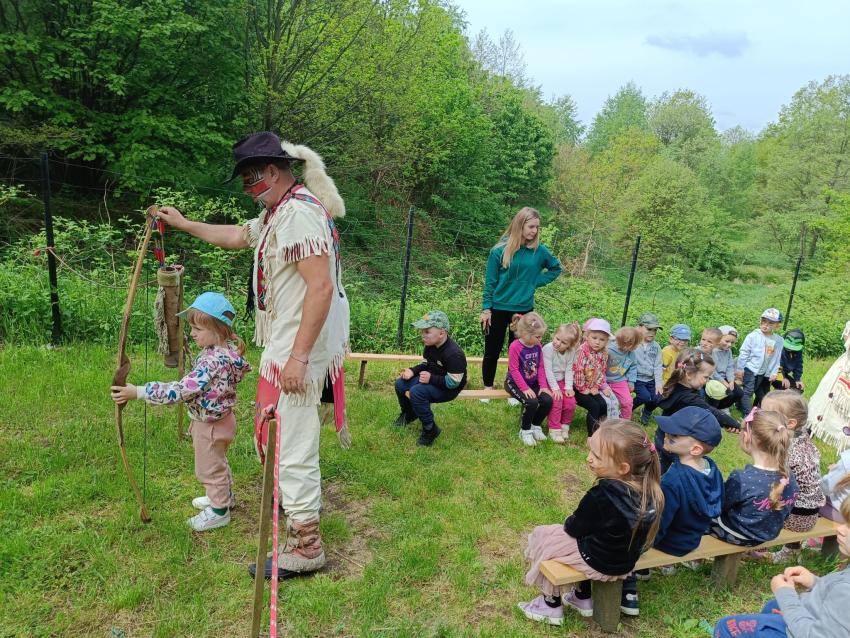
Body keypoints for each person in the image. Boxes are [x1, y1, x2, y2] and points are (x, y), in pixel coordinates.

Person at [157, 131, 349, 578]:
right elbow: (236, 235)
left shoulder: (298, 215)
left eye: (251, 178)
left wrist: (299, 358)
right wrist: (185, 224)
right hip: (289, 341)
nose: (248, 188)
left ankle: (307, 546)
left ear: (274, 172)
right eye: (245, 180)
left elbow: (321, 287)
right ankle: (294, 505)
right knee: (283, 433)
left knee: (293, 441)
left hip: (299, 346)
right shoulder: (279, 212)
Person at [111, 292, 251, 531]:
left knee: (208, 469)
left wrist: (140, 392)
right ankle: (224, 496)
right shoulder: (224, 352)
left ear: (218, 330)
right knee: (217, 461)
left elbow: (180, 390)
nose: (192, 333)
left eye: (198, 328)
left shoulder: (211, 363)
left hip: (210, 427)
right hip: (222, 421)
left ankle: (219, 511)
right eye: (192, 327)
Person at [517, 420, 663, 626]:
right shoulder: (651, 490)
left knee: (545, 538)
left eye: (597, 456)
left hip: (599, 562)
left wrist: (568, 521)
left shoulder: (602, 494)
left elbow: (574, 528)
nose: (589, 458)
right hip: (624, 563)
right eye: (590, 451)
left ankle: (550, 605)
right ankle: (581, 596)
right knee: (577, 539)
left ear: (623, 468)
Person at [713, 492, 850, 638]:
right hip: (817, 618)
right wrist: (815, 583)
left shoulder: (845, 591)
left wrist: (785, 593)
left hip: (804, 631)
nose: (840, 529)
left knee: (726, 627)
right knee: (773, 605)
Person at [626, 407, 723, 613]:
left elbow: (660, 522)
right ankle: (644, 571)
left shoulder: (673, 480)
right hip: (692, 538)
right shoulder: (711, 467)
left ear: (695, 449)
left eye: (675, 435)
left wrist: (642, 545)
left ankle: (633, 578)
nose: (666, 434)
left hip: (672, 543)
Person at [479, 207, 561, 401]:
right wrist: (486, 308)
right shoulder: (499, 250)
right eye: (531, 226)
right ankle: (487, 388)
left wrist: (535, 282)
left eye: (537, 227)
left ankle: (514, 388)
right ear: (520, 225)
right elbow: (490, 282)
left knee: (521, 352)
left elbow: (555, 268)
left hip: (524, 309)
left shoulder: (539, 251)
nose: (534, 231)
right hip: (498, 307)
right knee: (492, 351)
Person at [709, 407, 797, 547]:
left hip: (737, 535)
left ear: (747, 437)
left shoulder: (741, 479)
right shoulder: (788, 477)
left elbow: (720, 507)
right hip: (766, 535)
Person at [758, 391, 824, 563]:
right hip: (811, 513)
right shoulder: (803, 439)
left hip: (797, 517)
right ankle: (791, 550)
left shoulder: (787, 449)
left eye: (768, 414)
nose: (760, 416)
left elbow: (773, 482)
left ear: (790, 423)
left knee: (755, 499)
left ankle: (756, 546)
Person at [655, 349, 740, 472]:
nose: (707, 381)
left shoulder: (678, 387)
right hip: (674, 442)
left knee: (662, 465)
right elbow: (710, 411)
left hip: (665, 435)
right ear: (689, 374)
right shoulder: (688, 398)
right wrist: (734, 424)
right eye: (706, 377)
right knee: (667, 469)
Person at [393, 310, 467, 447]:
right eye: (422, 331)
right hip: (433, 379)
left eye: (427, 331)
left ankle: (430, 429)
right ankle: (409, 413)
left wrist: (431, 378)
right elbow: (425, 364)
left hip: (449, 388)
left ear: (441, 333)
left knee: (417, 392)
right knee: (400, 384)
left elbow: (453, 383)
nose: (423, 335)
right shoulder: (429, 346)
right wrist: (412, 371)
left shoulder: (453, 354)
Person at [504, 312, 553, 447]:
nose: (540, 339)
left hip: (532, 382)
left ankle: (535, 425)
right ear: (525, 334)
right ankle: (525, 431)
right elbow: (513, 370)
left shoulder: (537, 346)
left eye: (541, 336)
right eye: (538, 336)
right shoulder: (515, 346)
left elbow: (541, 367)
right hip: (514, 383)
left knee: (548, 400)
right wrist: (525, 388)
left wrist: (543, 386)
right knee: (531, 402)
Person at [808, 320, 850, 452]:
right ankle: (816, 426)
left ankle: (844, 436)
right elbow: (847, 342)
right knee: (829, 394)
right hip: (846, 366)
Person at [736, 308, 784, 415]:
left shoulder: (778, 340)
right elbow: (744, 352)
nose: (766, 325)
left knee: (755, 390)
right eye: (764, 321)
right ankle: (748, 415)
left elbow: (777, 358)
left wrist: (774, 372)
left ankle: (739, 405)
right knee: (748, 391)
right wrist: (740, 368)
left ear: (777, 325)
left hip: (763, 371)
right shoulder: (753, 336)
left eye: (770, 323)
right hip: (750, 368)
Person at [573, 318, 614, 437]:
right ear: (587, 336)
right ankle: (591, 436)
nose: (597, 342)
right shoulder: (582, 351)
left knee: (603, 405)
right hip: (577, 387)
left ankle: (601, 430)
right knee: (594, 406)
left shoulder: (604, 353)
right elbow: (578, 371)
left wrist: (596, 386)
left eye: (602, 339)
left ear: (607, 341)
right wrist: (582, 388)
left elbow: (601, 371)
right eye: (594, 338)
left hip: (592, 387)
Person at [542, 323, 582, 443]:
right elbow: (548, 371)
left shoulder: (571, 352)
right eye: (557, 338)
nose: (558, 343)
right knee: (557, 401)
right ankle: (554, 429)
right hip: (548, 381)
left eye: (563, 342)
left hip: (562, 381)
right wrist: (555, 389)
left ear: (570, 345)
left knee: (571, 402)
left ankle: (564, 426)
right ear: (554, 335)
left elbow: (569, 370)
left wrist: (568, 387)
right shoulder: (548, 349)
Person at [633, 312, 664, 426]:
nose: (652, 333)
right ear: (639, 327)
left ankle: (646, 411)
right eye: (649, 329)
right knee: (644, 396)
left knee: (657, 397)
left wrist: (658, 384)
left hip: (650, 379)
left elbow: (658, 365)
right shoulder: (633, 343)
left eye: (655, 330)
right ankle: (627, 409)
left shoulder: (656, 347)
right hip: (636, 378)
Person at [606, 327, 641, 421]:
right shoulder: (609, 350)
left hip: (619, 380)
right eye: (624, 344)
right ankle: (605, 420)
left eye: (631, 345)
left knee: (628, 402)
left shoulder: (631, 353)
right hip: (604, 381)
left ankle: (624, 421)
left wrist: (631, 381)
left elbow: (633, 367)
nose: (626, 348)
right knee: (608, 403)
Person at [709, 325, 744, 409]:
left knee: (739, 393)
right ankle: (714, 409)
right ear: (719, 338)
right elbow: (712, 371)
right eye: (727, 341)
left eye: (732, 342)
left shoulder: (728, 351)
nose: (729, 344)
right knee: (725, 393)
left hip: (725, 377)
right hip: (713, 379)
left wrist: (731, 381)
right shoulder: (712, 351)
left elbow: (730, 367)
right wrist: (724, 383)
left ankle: (722, 407)